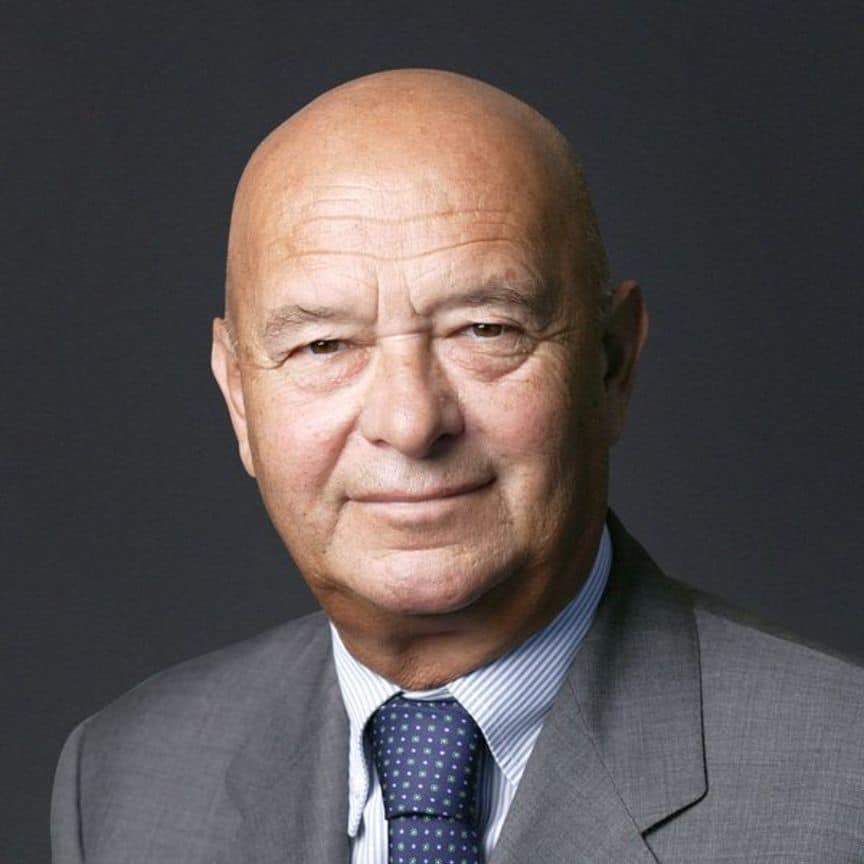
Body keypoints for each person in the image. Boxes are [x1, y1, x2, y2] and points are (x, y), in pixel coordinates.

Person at [51, 69, 864, 864]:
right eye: (323, 345)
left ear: (611, 364)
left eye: (486, 329)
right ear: (239, 398)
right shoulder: (120, 785)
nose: (410, 423)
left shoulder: (843, 785)